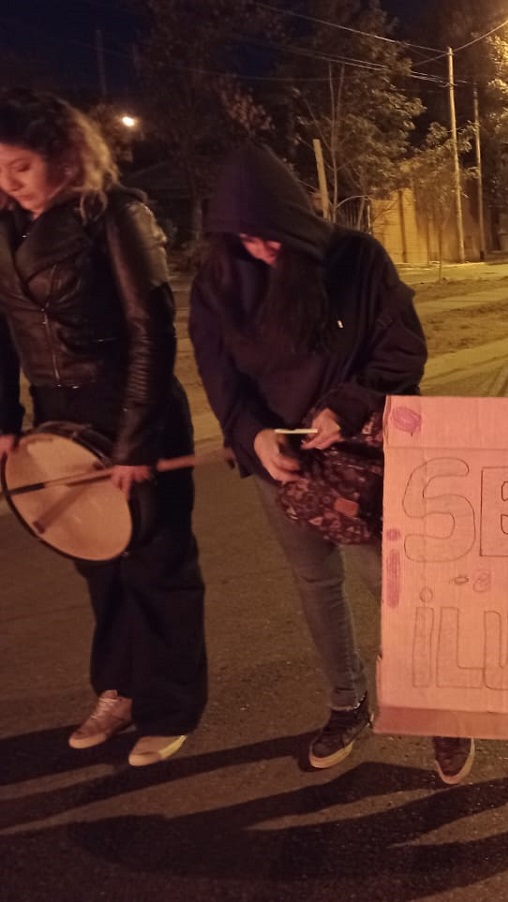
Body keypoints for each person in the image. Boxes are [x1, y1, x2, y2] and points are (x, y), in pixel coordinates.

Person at [189, 144, 474, 780]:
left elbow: (403, 350)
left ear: (297, 221)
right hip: (283, 464)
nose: (260, 251)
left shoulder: (357, 261)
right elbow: (219, 373)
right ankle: (346, 702)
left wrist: (344, 408)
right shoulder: (220, 283)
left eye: (270, 238)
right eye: (242, 240)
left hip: (366, 456)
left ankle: (441, 712)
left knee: (397, 587)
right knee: (315, 583)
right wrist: (252, 435)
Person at [0, 89, 207, 766]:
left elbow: (151, 330)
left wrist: (134, 442)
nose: (8, 181)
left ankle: (172, 706)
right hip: (56, 417)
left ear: (64, 155)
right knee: (97, 563)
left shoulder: (113, 213)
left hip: (131, 409)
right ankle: (118, 689)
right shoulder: (4, 225)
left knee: (156, 562)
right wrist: (6, 422)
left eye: (21, 165)